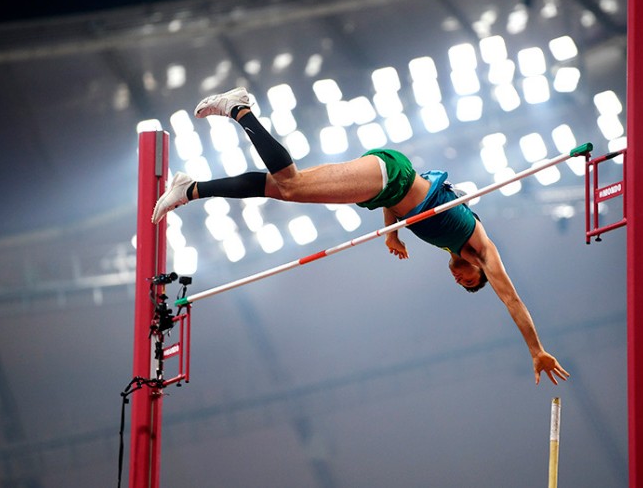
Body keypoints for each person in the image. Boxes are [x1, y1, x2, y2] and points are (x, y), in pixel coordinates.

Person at [153, 87, 570, 386]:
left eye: (462, 285)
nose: (461, 281)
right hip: (392, 176)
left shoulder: (449, 242)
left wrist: (392, 231)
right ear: (478, 270)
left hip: (389, 186)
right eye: (470, 282)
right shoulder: (481, 248)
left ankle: (190, 188)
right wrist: (535, 349)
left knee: (279, 189)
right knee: (292, 185)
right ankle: (240, 110)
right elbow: (512, 299)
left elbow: (419, 197)